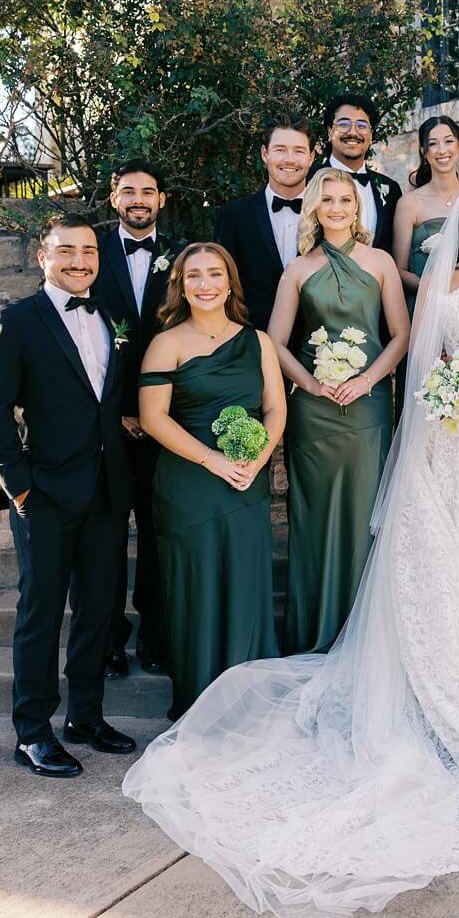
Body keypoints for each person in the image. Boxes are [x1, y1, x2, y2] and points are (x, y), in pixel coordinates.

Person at [120, 196, 459, 918]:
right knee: (443, 558)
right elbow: (425, 355)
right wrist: (458, 406)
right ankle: (450, 675)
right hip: (448, 431)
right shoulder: (434, 281)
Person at [0, 215, 138, 777]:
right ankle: (32, 732)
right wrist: (18, 484)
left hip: (107, 490)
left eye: (88, 251)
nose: (79, 261)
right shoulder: (14, 321)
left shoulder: (111, 317)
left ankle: (86, 718)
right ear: (43, 257)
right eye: (66, 251)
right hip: (42, 492)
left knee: (99, 611)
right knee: (41, 614)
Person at [135, 243, 286, 719]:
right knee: (197, 592)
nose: (206, 284)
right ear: (180, 286)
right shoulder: (167, 343)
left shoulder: (258, 342)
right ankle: (199, 703)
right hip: (190, 485)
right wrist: (211, 460)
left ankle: (248, 703)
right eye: (194, 276)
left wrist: (257, 460)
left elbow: (276, 408)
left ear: (230, 282)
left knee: (245, 588)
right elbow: (153, 419)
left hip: (245, 481)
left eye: (215, 274)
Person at [266, 168, 410, 654]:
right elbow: (275, 342)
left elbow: (401, 335)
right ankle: (317, 631)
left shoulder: (381, 262)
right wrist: (309, 383)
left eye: (345, 199)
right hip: (314, 410)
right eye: (327, 200)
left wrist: (368, 380)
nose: (336, 208)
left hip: (369, 406)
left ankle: (366, 636)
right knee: (315, 517)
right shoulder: (298, 269)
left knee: (366, 513)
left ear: (356, 207)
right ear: (314, 207)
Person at [92, 159, 175, 678]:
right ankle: (107, 638)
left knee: (157, 531)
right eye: (129, 191)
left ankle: (156, 634)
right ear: (114, 198)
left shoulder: (183, 255)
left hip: (166, 420)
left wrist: (156, 411)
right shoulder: (90, 253)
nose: (139, 199)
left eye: (148, 191)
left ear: (161, 199)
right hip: (106, 422)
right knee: (105, 534)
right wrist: (119, 410)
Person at [212, 116, 318, 329]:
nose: (289, 159)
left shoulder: (327, 215)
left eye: (298, 151)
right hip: (250, 338)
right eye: (280, 150)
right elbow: (222, 284)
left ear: (311, 157)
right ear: (265, 154)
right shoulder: (234, 216)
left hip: (317, 341)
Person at [391, 115, 459, 297]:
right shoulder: (409, 204)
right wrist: (434, 291)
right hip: (425, 300)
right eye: (433, 144)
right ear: (423, 150)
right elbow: (399, 270)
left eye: (448, 141)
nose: (442, 150)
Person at [317, 92, 402, 260]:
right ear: (330, 131)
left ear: (371, 135)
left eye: (362, 125)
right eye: (343, 124)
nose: (353, 132)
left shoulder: (391, 190)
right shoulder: (309, 181)